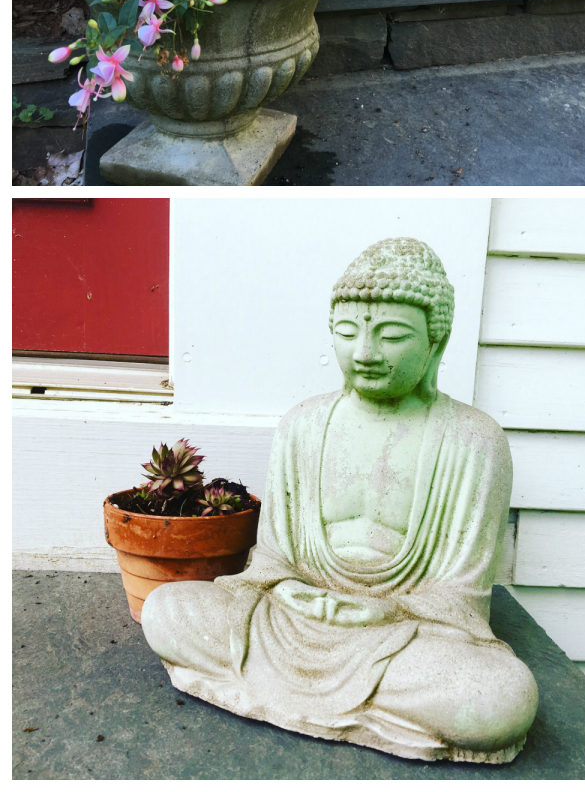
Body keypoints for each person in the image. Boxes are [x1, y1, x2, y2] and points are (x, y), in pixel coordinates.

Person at [140, 238, 538, 764]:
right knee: (167, 610)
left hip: (403, 632)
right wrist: (292, 592)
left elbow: (461, 596)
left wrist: (378, 613)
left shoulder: (473, 441)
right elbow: (275, 560)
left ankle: (300, 693)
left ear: (436, 342)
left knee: (499, 697)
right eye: (348, 333)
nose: (365, 353)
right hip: (291, 618)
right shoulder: (303, 425)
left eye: (392, 335)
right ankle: (357, 709)